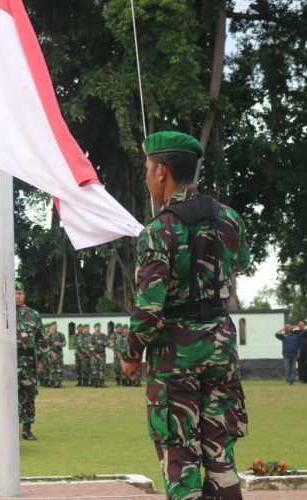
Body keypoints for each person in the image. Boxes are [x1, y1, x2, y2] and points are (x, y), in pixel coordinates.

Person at [121, 131, 250, 500]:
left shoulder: (158, 230)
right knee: (220, 453)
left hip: (174, 355)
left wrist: (132, 355)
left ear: (161, 171)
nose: (146, 175)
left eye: (148, 168)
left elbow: (149, 308)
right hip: (220, 349)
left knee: (180, 456)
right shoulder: (230, 219)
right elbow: (239, 265)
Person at [0, 281, 46, 440]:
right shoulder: (1, 312)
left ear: (24, 295)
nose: (17, 296)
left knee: (28, 395)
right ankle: (7, 430)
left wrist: (41, 361)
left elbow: (41, 339)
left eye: (20, 293)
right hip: (7, 362)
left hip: (28, 361)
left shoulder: (33, 314)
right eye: (13, 294)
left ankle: (27, 429)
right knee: (6, 395)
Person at [46, 322, 66, 388]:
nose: (54, 328)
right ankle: (52, 383)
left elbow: (64, 343)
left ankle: (59, 383)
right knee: (52, 369)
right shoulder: (48, 335)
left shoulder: (61, 334)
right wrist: (52, 353)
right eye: (53, 326)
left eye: (55, 326)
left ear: (57, 327)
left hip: (59, 354)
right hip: (51, 355)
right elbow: (46, 346)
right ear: (51, 327)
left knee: (59, 369)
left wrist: (59, 344)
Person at [89, 322, 107, 388]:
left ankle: (102, 383)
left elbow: (107, 343)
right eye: (97, 327)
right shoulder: (91, 336)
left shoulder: (104, 335)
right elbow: (90, 346)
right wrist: (95, 354)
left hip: (102, 354)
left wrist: (102, 342)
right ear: (94, 328)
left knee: (102, 369)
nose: (98, 328)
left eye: (99, 326)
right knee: (94, 369)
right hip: (94, 355)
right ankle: (95, 383)